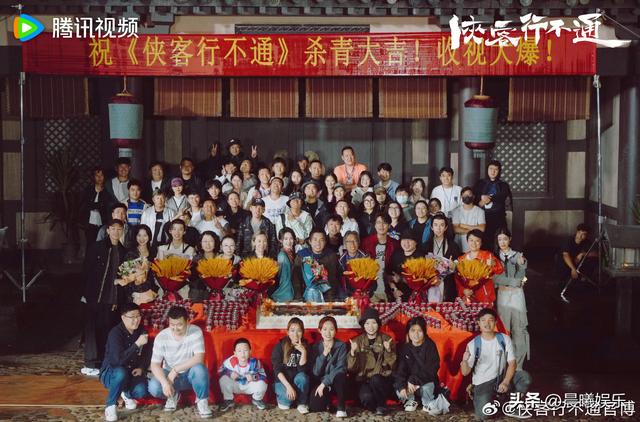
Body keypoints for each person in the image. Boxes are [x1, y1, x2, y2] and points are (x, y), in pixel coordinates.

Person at [460, 308, 531, 420]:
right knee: (484, 415)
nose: (487, 323)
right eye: (483, 320)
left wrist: (506, 382)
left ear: (495, 322)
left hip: (500, 377)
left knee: (524, 377)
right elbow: (465, 372)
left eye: (491, 320)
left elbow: (512, 363)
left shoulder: (504, 339)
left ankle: (513, 406)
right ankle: (494, 399)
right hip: (483, 382)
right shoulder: (473, 344)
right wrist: (464, 361)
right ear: (478, 323)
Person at [82, 219, 127, 377]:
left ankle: (105, 362)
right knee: (92, 331)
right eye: (113, 228)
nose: (116, 232)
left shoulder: (123, 251)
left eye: (119, 229)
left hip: (112, 299)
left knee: (107, 331)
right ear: (107, 230)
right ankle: (91, 363)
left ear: (122, 231)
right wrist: (84, 294)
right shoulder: (97, 247)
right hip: (95, 296)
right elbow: (86, 270)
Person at [148, 306, 212, 418]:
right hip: (170, 375)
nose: (175, 328)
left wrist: (175, 370)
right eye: (172, 325)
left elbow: (199, 358)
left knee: (200, 369)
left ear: (187, 321)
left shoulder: (195, 331)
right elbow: (154, 364)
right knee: (154, 386)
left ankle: (202, 401)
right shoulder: (162, 337)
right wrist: (165, 383)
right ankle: (173, 395)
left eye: (179, 325)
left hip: (189, 374)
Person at [100, 303, 149, 422]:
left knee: (141, 391)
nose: (136, 320)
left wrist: (141, 368)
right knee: (121, 372)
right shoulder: (115, 333)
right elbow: (117, 361)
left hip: (130, 373)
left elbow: (147, 353)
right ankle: (110, 406)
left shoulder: (141, 331)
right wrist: (136, 344)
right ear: (123, 317)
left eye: (138, 316)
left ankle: (125, 393)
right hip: (111, 374)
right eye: (132, 317)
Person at [347, 308, 396, 416]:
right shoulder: (356, 341)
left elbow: (392, 365)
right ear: (363, 325)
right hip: (364, 380)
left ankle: (382, 406)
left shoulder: (387, 340)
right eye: (367, 323)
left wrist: (388, 351)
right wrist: (352, 353)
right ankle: (374, 404)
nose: (371, 326)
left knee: (376, 379)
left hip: (382, 379)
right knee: (366, 398)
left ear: (378, 324)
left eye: (374, 323)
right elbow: (351, 368)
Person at [494, 228, 530, 371]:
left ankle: (518, 365)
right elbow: (495, 279)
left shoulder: (518, 256)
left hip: (517, 296)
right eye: (499, 239)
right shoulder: (493, 257)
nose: (502, 242)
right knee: (504, 330)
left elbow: (522, 278)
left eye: (505, 239)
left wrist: (521, 267)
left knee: (519, 329)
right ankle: (503, 365)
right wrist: (514, 282)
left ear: (510, 239)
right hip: (502, 296)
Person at [393, 317, 440, 414]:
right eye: (413, 330)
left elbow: (431, 370)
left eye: (419, 331)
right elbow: (400, 370)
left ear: (424, 332)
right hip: (410, 385)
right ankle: (412, 400)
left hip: (424, 381)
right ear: (408, 332)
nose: (416, 334)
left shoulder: (430, 346)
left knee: (427, 387)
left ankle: (428, 403)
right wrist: (402, 386)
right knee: (399, 390)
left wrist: (413, 380)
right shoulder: (405, 347)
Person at [309, 316, 348, 418]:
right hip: (321, 382)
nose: (328, 333)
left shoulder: (341, 346)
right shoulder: (316, 347)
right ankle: (328, 403)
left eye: (331, 329)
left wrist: (324, 383)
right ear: (320, 330)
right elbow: (316, 372)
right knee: (315, 406)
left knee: (340, 376)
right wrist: (324, 354)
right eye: (325, 329)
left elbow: (341, 368)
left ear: (336, 331)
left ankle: (341, 407)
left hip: (336, 382)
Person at [271, 317, 311, 414]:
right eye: (292, 330)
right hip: (283, 381)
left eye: (299, 331)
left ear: (302, 332)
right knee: (285, 405)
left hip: (297, 381)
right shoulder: (280, 345)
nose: (295, 334)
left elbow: (303, 371)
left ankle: (301, 402)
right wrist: (288, 386)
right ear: (287, 332)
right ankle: (284, 396)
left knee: (303, 377)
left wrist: (303, 352)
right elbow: (277, 370)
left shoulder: (306, 346)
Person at [218, 338, 268, 411]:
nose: (243, 353)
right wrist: (230, 373)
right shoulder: (229, 362)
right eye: (239, 351)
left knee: (262, 384)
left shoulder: (255, 362)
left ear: (250, 351)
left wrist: (254, 377)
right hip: (235, 384)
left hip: (249, 385)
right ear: (235, 353)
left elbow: (263, 376)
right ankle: (228, 399)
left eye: (245, 350)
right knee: (223, 379)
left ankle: (257, 399)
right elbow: (220, 371)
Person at [456, 230, 504, 304]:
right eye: (471, 240)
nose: (474, 243)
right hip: (468, 296)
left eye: (477, 241)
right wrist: (463, 290)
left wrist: (494, 263)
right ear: (467, 241)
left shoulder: (488, 255)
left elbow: (500, 270)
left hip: (485, 295)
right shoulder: (461, 259)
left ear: (481, 243)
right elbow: (458, 279)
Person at [293, 229, 341, 301]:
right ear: (310, 241)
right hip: (305, 295)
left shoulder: (331, 256)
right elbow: (296, 278)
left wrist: (329, 299)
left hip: (326, 297)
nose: (318, 243)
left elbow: (333, 279)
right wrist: (298, 297)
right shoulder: (302, 255)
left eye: (321, 240)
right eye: (315, 240)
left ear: (325, 242)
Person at [362, 214, 400, 303]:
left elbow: (396, 266)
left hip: (389, 284)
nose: (381, 226)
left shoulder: (395, 244)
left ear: (389, 225)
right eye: (378, 222)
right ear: (375, 225)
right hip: (370, 284)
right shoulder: (366, 242)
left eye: (384, 223)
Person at [473, 160, 512, 245]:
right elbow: (474, 197)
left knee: (498, 241)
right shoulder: (480, 183)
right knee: (482, 241)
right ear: (487, 170)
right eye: (491, 169)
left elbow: (503, 197)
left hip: (498, 217)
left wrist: (489, 198)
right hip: (482, 217)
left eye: (495, 169)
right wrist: (480, 200)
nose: (493, 172)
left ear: (499, 171)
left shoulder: (503, 185)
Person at [424, 213, 461, 302]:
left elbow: (458, 263)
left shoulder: (453, 245)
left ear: (446, 227)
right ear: (432, 227)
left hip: (447, 283)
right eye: (436, 225)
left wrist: (453, 266)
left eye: (442, 225)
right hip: (430, 282)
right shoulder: (425, 245)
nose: (438, 228)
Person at [388, 230, 424, 302]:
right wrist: (394, 290)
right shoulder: (396, 254)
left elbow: (419, 281)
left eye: (410, 240)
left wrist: (401, 278)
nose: (406, 243)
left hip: (415, 295)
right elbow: (388, 275)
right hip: (396, 293)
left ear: (416, 242)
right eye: (404, 240)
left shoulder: (420, 257)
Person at [82, 167, 111, 249]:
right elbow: (85, 205)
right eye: (97, 175)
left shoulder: (107, 190)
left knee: (101, 244)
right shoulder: (88, 190)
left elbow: (106, 206)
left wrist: (95, 205)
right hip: (89, 223)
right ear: (93, 177)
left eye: (101, 175)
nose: (99, 177)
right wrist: (98, 205)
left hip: (102, 222)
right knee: (90, 244)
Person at [189, 231, 221, 302]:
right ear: (200, 243)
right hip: (198, 294)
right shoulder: (195, 260)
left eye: (211, 241)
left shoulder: (221, 258)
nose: (208, 244)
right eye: (205, 241)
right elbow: (192, 280)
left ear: (215, 243)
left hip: (218, 294)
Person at [452, 187, 486, 253]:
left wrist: (463, 225)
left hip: (475, 246)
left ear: (473, 196)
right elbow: (455, 229)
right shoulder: (456, 211)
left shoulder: (480, 211)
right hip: (459, 245)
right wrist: (473, 230)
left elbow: (482, 229)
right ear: (461, 197)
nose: (467, 196)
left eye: (469, 194)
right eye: (464, 195)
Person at [271, 228, 296, 302]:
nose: (289, 241)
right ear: (281, 241)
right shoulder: (282, 256)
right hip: (285, 291)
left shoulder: (290, 253)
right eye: (286, 239)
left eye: (291, 238)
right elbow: (284, 279)